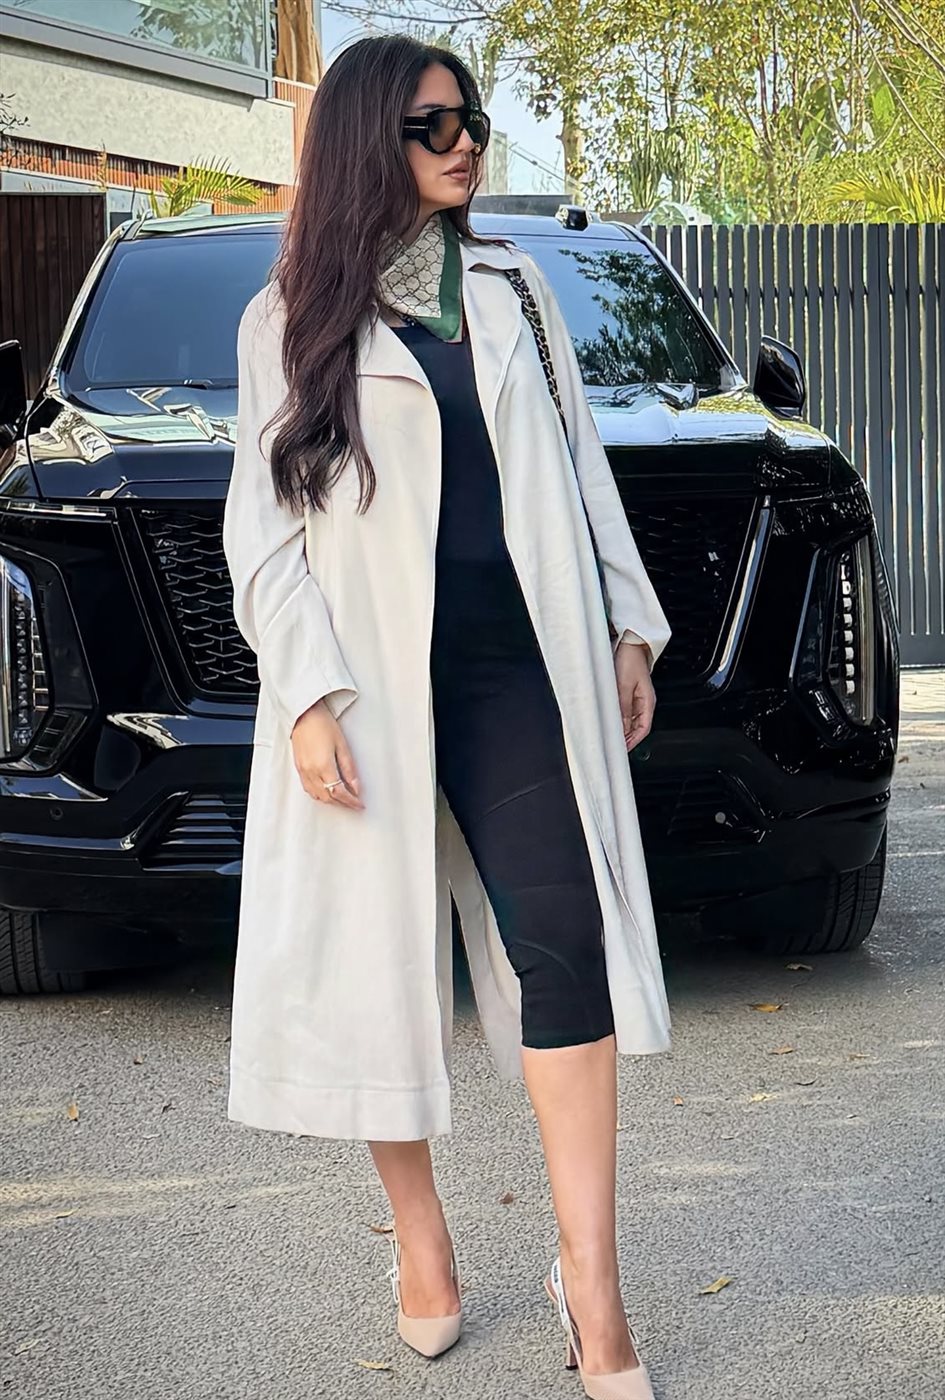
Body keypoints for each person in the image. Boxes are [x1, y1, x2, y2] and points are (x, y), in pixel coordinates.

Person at [222, 33, 672, 1400]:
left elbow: (581, 469)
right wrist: (309, 694)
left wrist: (626, 623)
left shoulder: (513, 290)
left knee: (565, 942)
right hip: (370, 682)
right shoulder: (286, 319)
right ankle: (422, 1244)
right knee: (379, 968)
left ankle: (591, 1281)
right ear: (371, 141)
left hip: (513, 669)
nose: (464, 140)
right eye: (432, 125)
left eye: (467, 117)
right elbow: (265, 536)